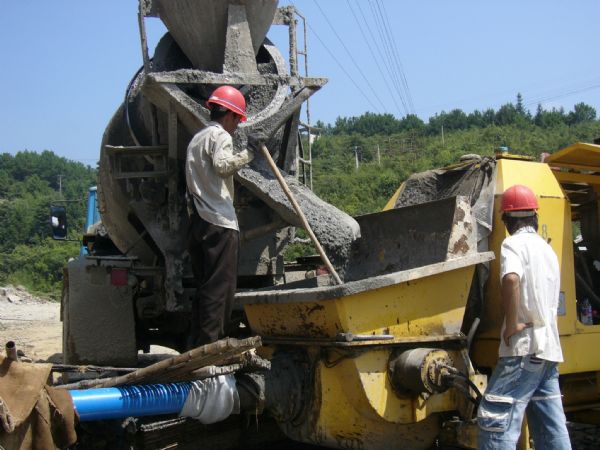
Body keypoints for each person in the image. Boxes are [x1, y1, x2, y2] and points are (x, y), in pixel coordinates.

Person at [477, 184, 571, 450]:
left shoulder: (513, 244)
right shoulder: (546, 249)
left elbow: (511, 278)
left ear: (506, 220)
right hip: (548, 350)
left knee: (495, 418)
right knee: (550, 423)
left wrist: (512, 323)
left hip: (523, 347)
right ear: (534, 216)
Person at [185, 85, 263, 348]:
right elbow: (222, 166)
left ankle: (195, 348)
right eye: (237, 120)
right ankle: (211, 349)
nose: (237, 126)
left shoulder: (197, 139)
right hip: (219, 222)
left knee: (205, 288)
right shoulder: (220, 136)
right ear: (229, 115)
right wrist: (250, 153)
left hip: (198, 221)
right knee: (221, 289)